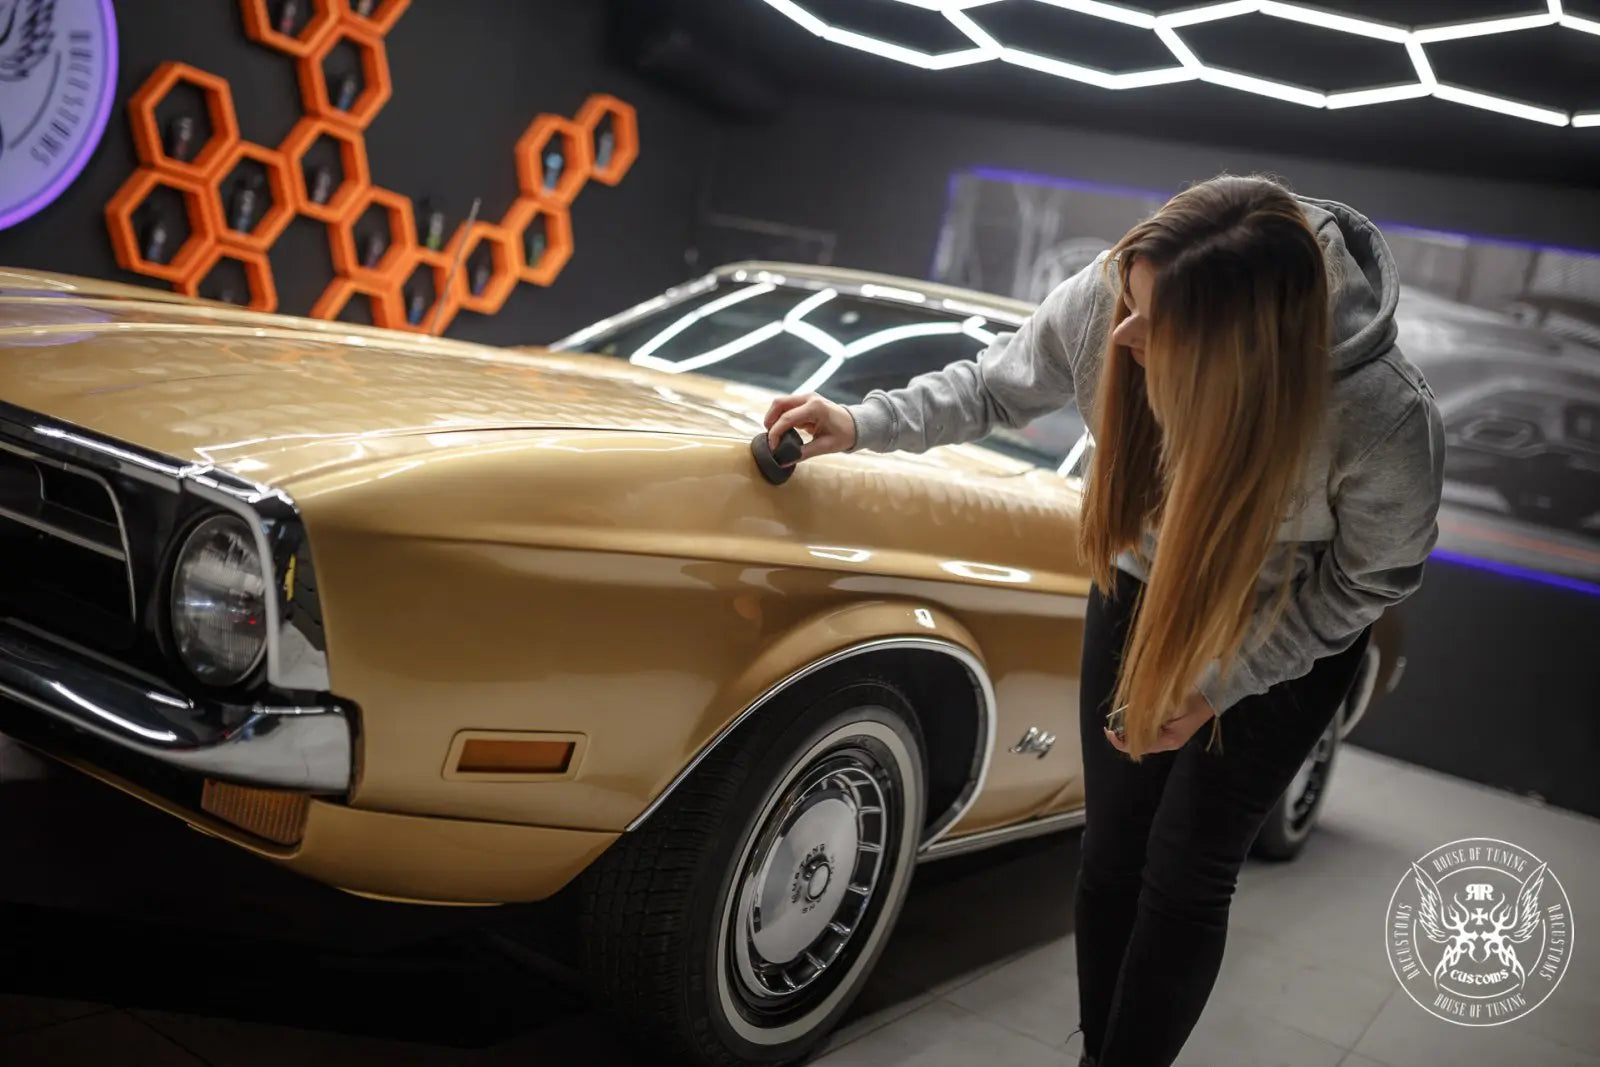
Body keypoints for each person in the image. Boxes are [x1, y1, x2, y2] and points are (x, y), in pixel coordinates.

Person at [763, 174, 1445, 1067]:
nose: (1122, 334)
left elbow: (1368, 578)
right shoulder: (1114, 293)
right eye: (1128, 300)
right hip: (1140, 587)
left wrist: (1223, 684)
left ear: (1242, 351)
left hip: (1285, 625)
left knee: (1188, 865)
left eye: (1154, 324)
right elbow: (996, 385)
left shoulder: (1380, 412)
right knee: (1114, 848)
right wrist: (860, 421)